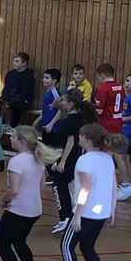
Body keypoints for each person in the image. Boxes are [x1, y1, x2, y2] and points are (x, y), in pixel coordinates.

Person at [60, 123, 117, 261]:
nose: (79, 137)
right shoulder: (107, 158)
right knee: (87, 247)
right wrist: (112, 210)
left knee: (66, 246)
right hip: (101, 212)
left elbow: (86, 188)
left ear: (88, 139)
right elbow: (113, 186)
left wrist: (77, 215)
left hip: (86, 212)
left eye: (81, 135)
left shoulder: (85, 160)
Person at [0, 125, 50, 261]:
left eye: (13, 137)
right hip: (35, 209)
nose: (10, 139)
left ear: (22, 141)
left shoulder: (16, 161)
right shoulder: (38, 159)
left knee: (2, 242)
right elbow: (42, 186)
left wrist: (3, 200)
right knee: (20, 242)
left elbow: (14, 190)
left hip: (18, 209)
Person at [47, 89, 89, 233]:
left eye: (65, 100)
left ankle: (65, 217)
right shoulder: (80, 118)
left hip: (70, 158)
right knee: (65, 186)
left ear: (71, 103)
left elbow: (70, 142)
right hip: (74, 156)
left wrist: (62, 161)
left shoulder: (71, 120)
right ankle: (69, 216)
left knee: (58, 185)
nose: (62, 103)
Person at [92, 62, 131, 199]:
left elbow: (99, 110)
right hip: (117, 122)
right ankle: (111, 184)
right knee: (112, 154)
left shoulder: (103, 88)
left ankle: (125, 185)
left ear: (102, 75)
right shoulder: (119, 87)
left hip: (107, 124)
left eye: (98, 77)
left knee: (114, 154)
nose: (98, 80)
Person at [3, 52, 35, 128]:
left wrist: (11, 103)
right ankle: (2, 125)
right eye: (14, 61)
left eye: (17, 61)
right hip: (10, 99)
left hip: (22, 101)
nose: (14, 63)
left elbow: (25, 93)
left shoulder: (29, 76)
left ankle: (12, 126)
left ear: (24, 63)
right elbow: (6, 88)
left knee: (16, 107)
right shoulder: (10, 74)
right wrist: (4, 100)